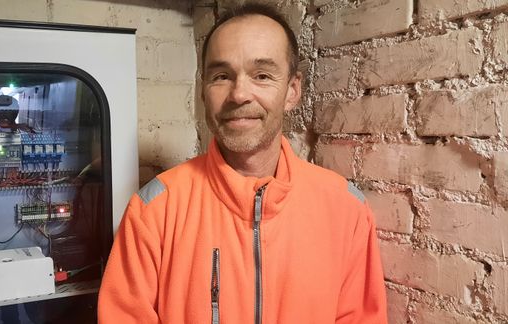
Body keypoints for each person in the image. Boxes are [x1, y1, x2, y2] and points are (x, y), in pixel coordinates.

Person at [97, 2, 388, 324]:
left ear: (292, 91)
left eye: (262, 75)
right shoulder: (155, 209)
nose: (239, 94)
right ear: (203, 91)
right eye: (221, 76)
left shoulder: (346, 209)